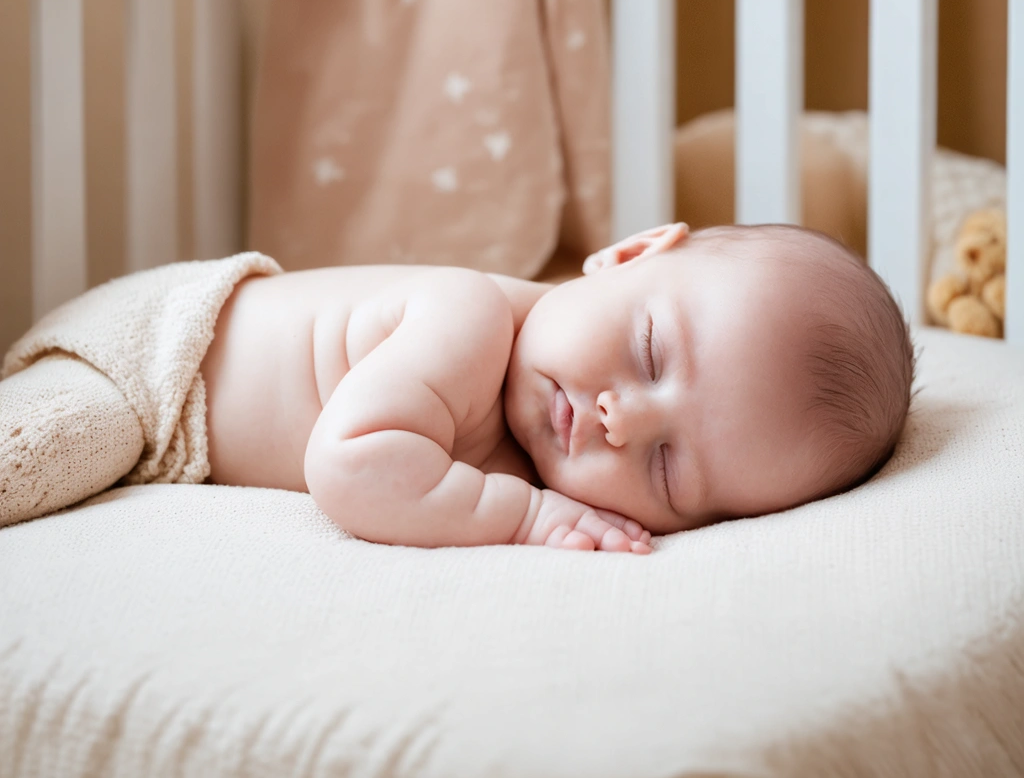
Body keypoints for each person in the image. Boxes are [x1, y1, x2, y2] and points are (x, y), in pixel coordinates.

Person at [198, 221, 914, 553]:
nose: (622, 422)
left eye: (666, 467)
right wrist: (520, 519)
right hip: (159, 365)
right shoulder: (468, 318)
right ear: (627, 254)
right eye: (650, 351)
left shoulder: (550, 455)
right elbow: (347, 466)